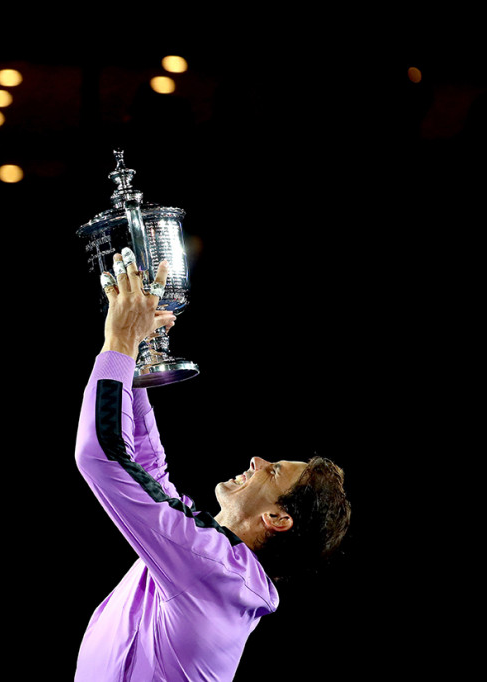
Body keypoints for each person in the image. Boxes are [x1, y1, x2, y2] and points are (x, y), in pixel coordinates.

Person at [74, 249, 350, 681]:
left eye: (273, 471)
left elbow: (102, 456)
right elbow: (147, 469)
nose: (257, 460)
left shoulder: (211, 569)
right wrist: (138, 357)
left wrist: (121, 341)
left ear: (277, 518)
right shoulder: (217, 564)